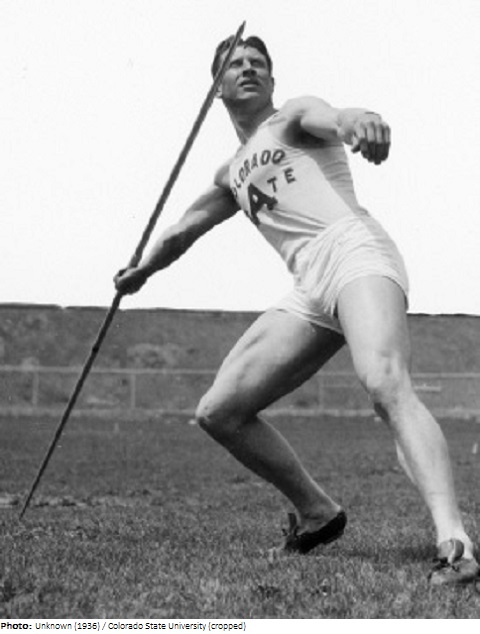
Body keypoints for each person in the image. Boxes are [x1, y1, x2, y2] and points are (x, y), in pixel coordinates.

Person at [114, 34, 479, 585]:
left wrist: (362, 121)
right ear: (216, 89)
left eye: (257, 62)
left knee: (385, 384)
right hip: (309, 286)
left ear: (272, 79)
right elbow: (183, 230)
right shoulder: (231, 173)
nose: (248, 68)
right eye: (235, 64)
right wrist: (142, 271)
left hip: (354, 252)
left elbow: (338, 118)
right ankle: (317, 513)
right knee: (219, 411)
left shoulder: (292, 116)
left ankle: (455, 544)